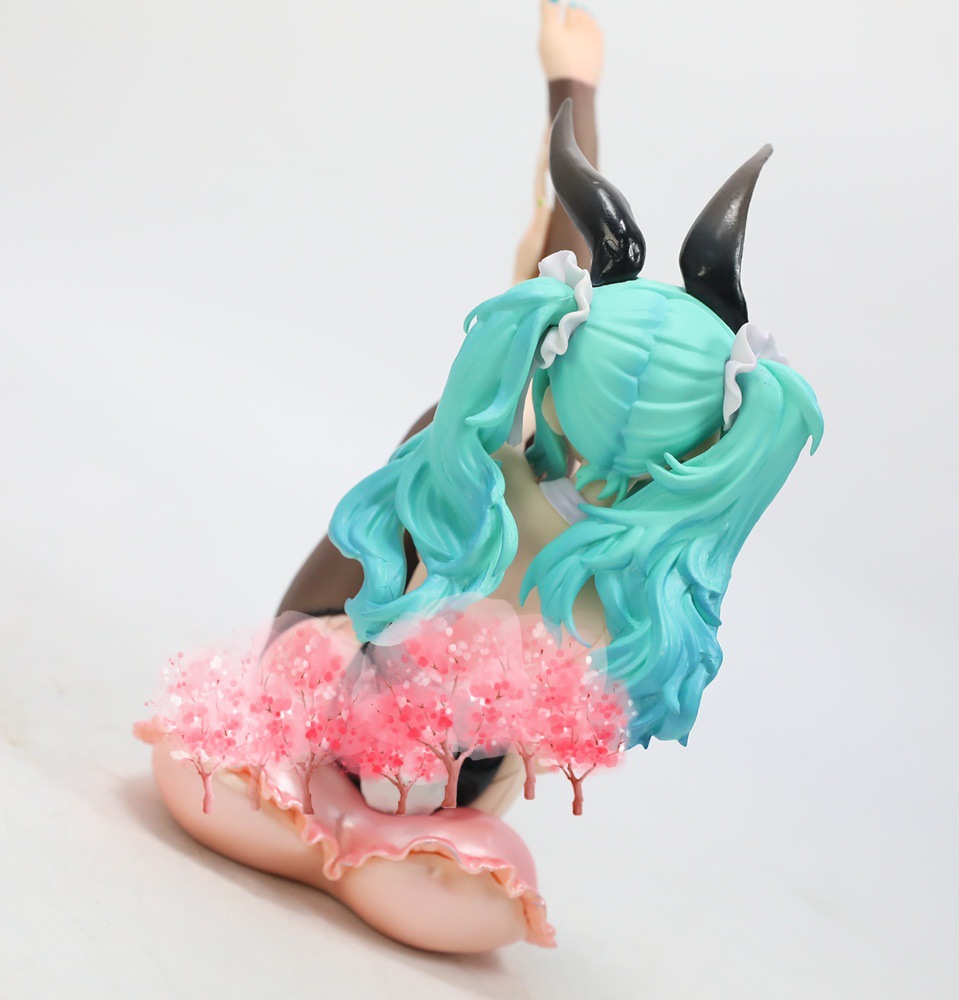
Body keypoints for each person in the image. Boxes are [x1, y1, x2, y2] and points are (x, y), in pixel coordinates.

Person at [144, 1, 822, 953]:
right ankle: (318, 816)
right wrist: (573, 87)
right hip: (327, 720)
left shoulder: (643, 559)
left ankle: (374, 848)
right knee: (224, 755)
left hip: (444, 799)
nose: (603, 469)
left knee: (461, 903)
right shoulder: (476, 450)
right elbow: (322, 600)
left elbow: (547, 718)